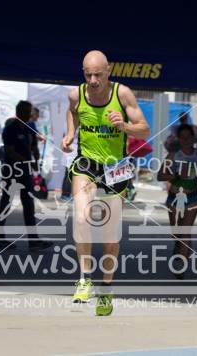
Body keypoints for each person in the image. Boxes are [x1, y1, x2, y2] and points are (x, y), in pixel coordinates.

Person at [61, 50, 150, 316]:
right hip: (86, 164)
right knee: (81, 217)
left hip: (115, 166)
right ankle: (85, 277)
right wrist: (69, 134)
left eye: (98, 74)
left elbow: (144, 129)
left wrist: (124, 126)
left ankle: (106, 287)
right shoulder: (76, 94)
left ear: (108, 70)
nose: (93, 80)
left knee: (110, 234)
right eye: (88, 74)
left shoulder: (122, 94)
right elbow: (73, 114)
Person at [0, 100, 52, 251]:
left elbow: (33, 144)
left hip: (25, 171)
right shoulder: (10, 128)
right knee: (6, 202)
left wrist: (35, 154)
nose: (29, 114)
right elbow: (10, 151)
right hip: (12, 169)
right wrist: (27, 161)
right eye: (27, 112)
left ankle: (33, 241)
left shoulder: (29, 126)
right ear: (19, 112)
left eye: (30, 112)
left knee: (28, 203)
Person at [158, 124, 197, 279]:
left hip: (192, 198)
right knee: (176, 233)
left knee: (185, 231)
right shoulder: (173, 156)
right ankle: (179, 247)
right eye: (183, 137)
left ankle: (181, 264)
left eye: (189, 137)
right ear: (179, 139)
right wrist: (175, 175)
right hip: (175, 198)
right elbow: (160, 176)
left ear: (194, 138)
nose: (186, 140)